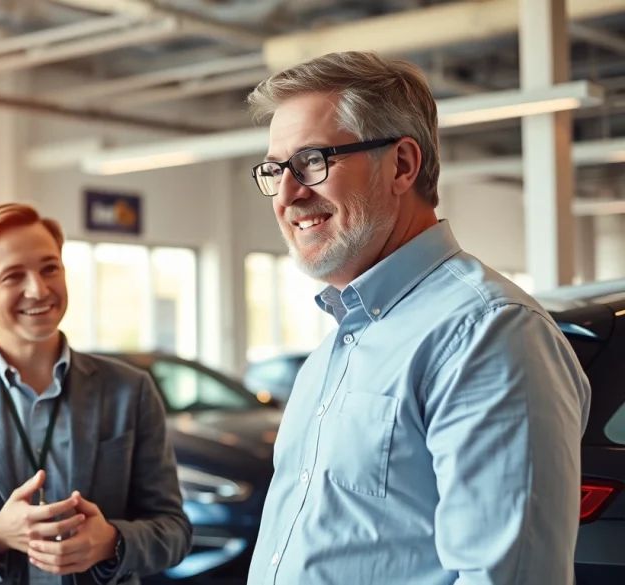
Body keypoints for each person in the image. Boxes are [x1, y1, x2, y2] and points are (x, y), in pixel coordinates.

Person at [244, 51, 591, 585]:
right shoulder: (336, 348)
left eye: (312, 161)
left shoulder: (489, 333)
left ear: (402, 165)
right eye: (275, 169)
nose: (289, 193)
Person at [0, 203, 191, 585]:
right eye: (13, 276)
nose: (38, 289)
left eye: (49, 268)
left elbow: (174, 531)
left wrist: (112, 541)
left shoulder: (130, 390)